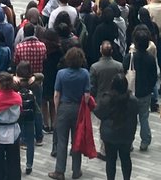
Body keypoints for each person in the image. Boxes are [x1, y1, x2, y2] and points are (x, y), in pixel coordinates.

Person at [48, 46, 89, 180]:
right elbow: (87, 95)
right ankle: (76, 171)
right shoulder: (84, 73)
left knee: (62, 141)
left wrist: (57, 108)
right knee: (76, 141)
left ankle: (60, 171)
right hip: (78, 109)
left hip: (64, 108)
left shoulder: (61, 73)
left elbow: (56, 95)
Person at [93, 73, 138, 180]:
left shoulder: (107, 99)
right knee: (126, 158)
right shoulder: (132, 100)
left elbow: (98, 112)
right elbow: (136, 113)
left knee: (111, 160)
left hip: (110, 135)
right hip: (126, 134)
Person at [0, 71, 23, 180]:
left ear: (0, 84)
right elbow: (20, 111)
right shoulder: (18, 97)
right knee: (14, 160)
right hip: (14, 131)